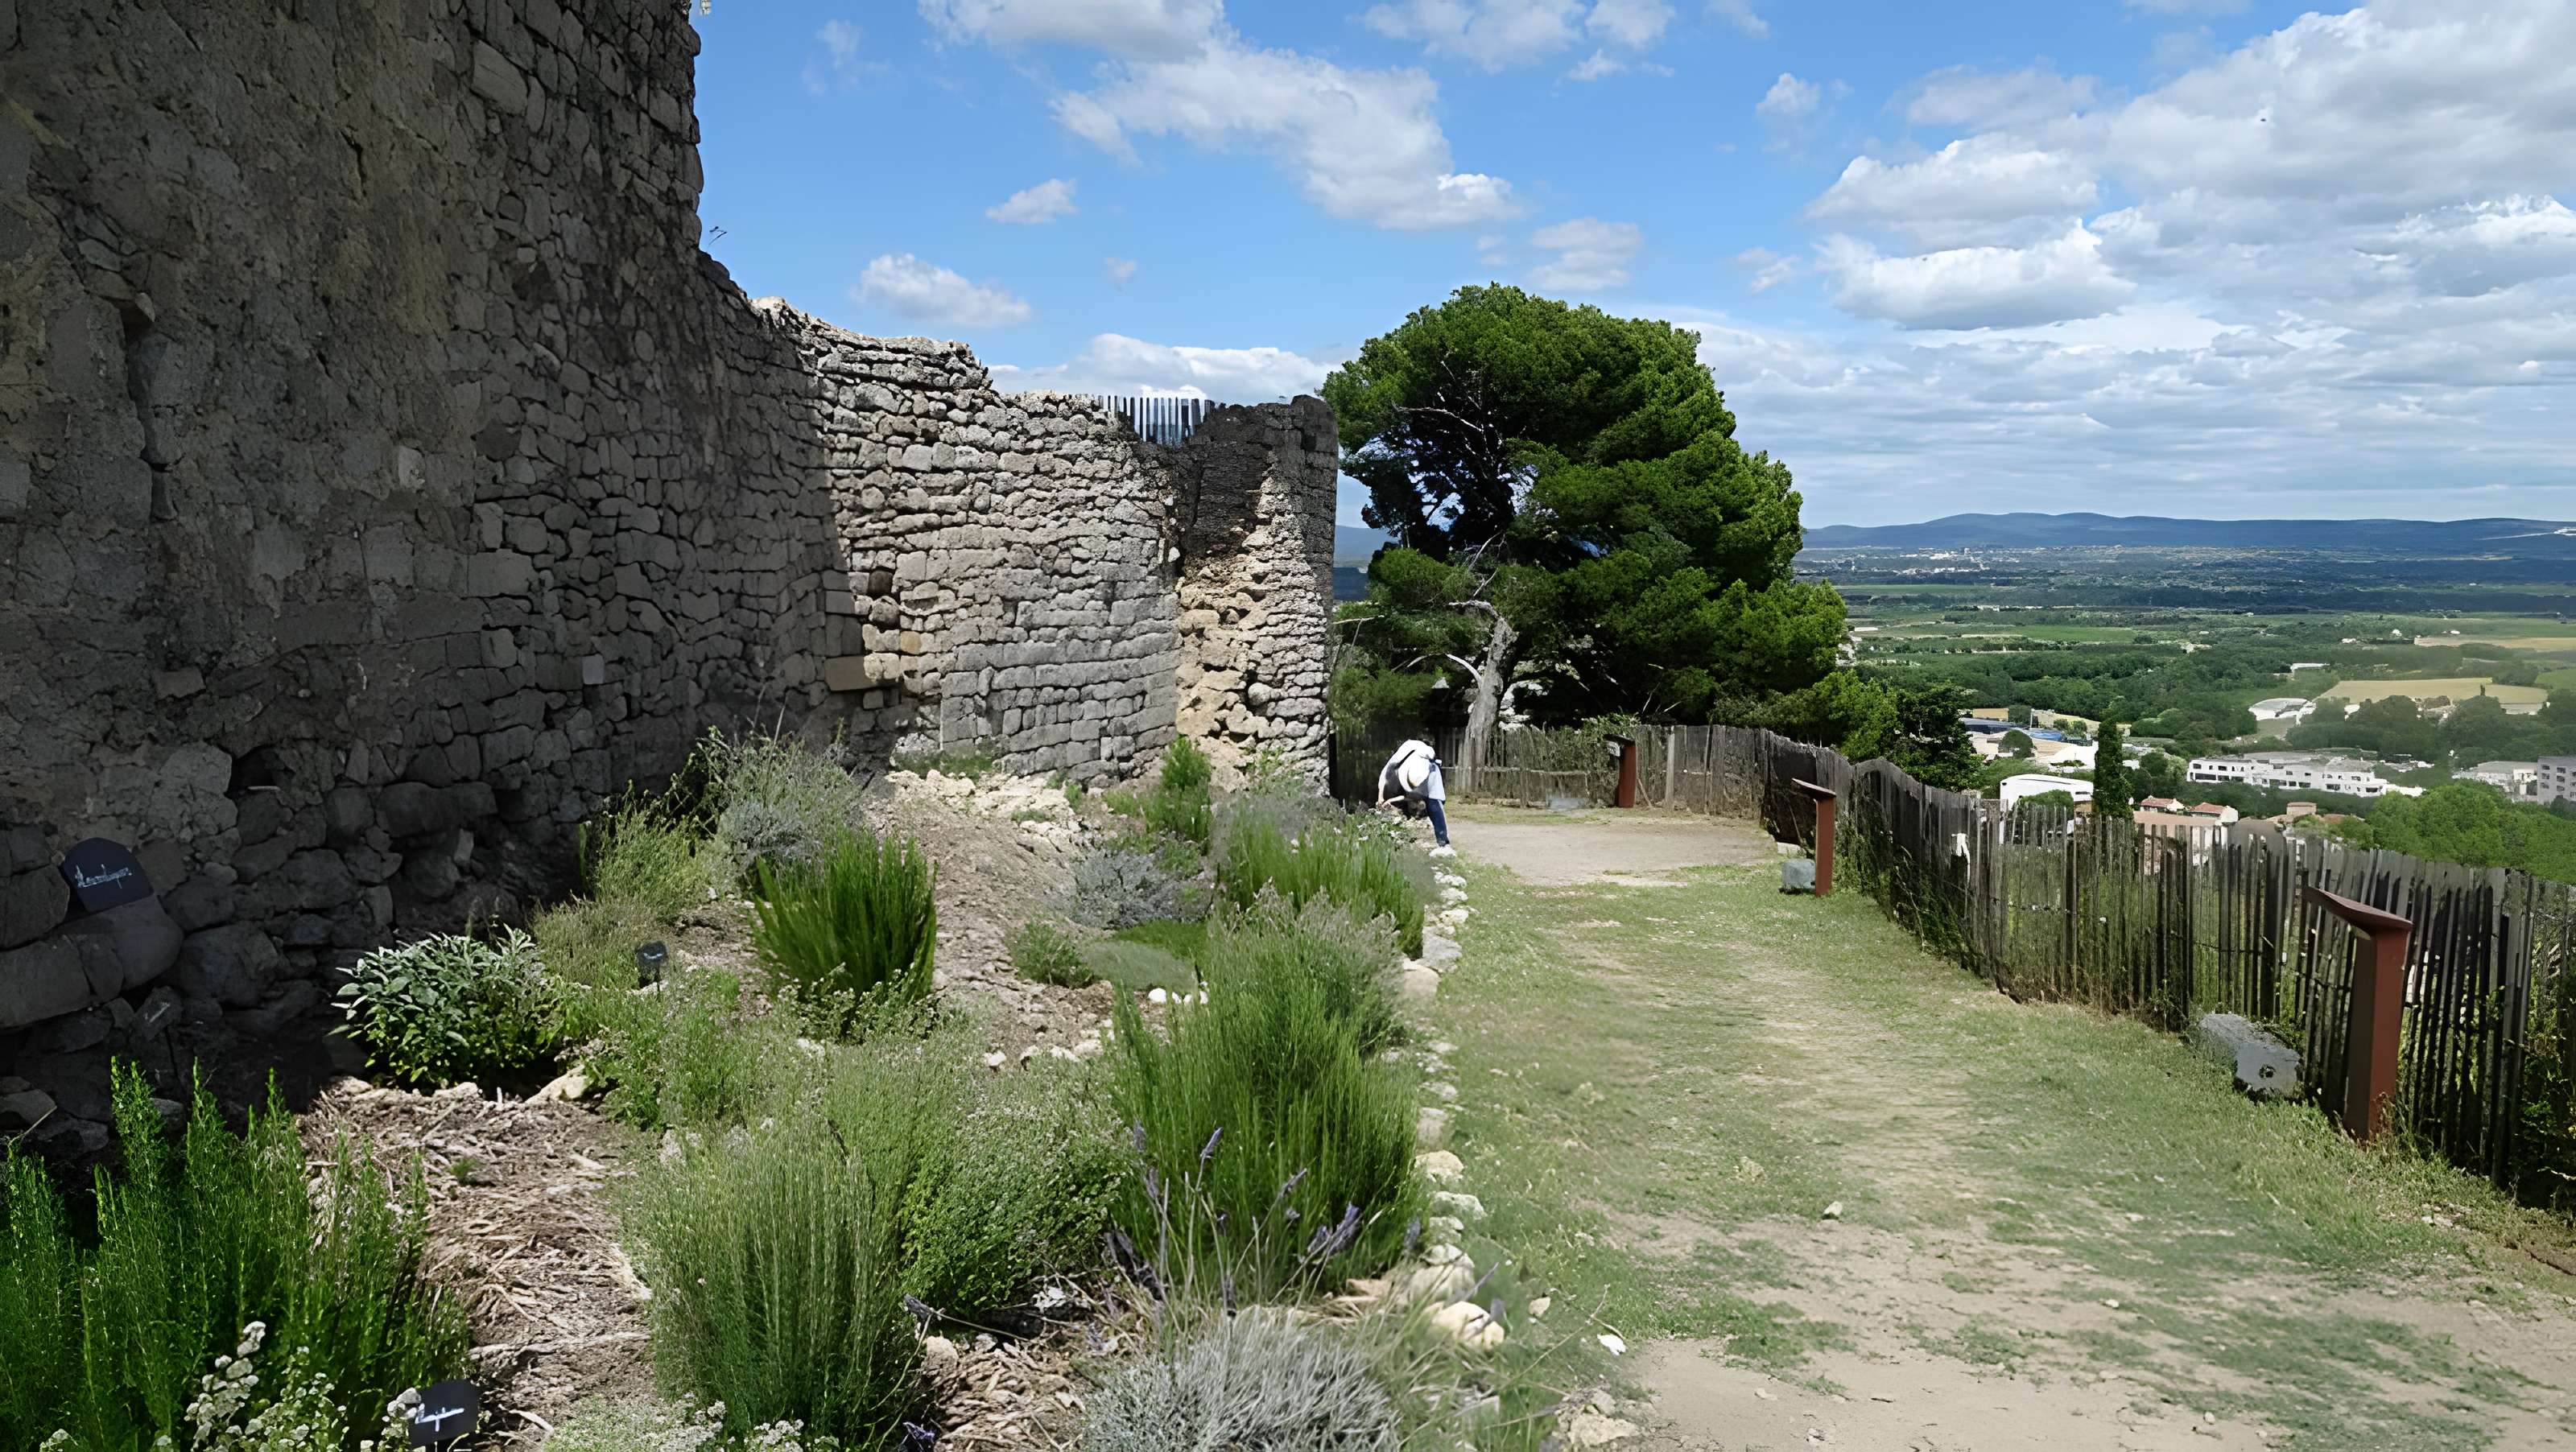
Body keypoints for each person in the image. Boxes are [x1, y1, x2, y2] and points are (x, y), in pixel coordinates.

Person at [1377, 736, 1454, 856]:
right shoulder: (1397, 761)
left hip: (1430, 770)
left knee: (1435, 805)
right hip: (1414, 762)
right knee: (1430, 805)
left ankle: (1444, 844)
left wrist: (1390, 800)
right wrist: (1381, 797)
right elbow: (1384, 776)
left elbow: (1409, 797)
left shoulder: (1425, 771)